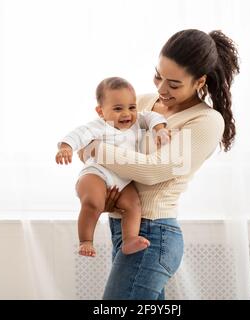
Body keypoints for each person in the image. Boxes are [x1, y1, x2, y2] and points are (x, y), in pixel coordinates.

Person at [79, 29, 239, 299]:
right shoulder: (141, 103)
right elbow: (87, 142)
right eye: (158, 76)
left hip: (155, 233)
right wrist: (102, 191)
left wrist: (96, 149)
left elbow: (153, 171)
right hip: (122, 229)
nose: (161, 89)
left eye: (174, 84)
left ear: (200, 81)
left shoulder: (205, 121)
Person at [55, 77, 171, 257]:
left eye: (132, 107)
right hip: (97, 173)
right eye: (118, 109)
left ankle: (130, 239)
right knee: (93, 202)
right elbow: (79, 134)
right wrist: (66, 147)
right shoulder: (99, 126)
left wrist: (160, 129)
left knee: (133, 205)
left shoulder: (137, 121)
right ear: (100, 111)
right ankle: (86, 240)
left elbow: (152, 116)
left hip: (123, 180)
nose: (126, 114)